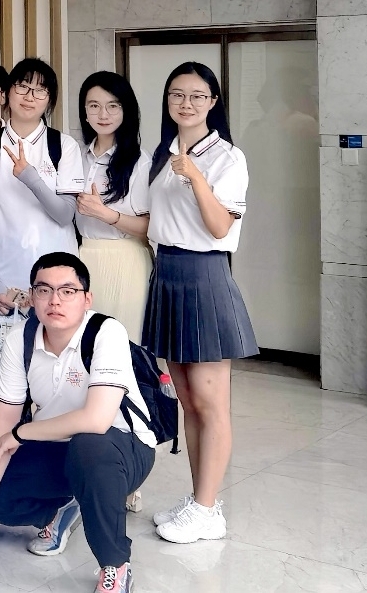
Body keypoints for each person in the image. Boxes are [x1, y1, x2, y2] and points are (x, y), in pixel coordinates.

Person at [0, 253, 156, 593]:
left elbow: (96, 420)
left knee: (90, 447)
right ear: (32, 297)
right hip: (55, 448)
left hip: (121, 449)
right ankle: (61, 508)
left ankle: (115, 565)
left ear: (87, 299)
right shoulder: (20, 339)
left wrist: (21, 433)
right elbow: (3, 426)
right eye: (44, 290)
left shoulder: (106, 332)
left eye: (68, 291)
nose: (55, 300)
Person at [143, 61, 256, 544]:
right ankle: (200, 500)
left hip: (204, 276)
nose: (185, 103)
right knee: (188, 402)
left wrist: (195, 177)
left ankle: (208, 508)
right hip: (167, 274)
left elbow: (219, 226)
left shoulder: (227, 157)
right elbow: (154, 222)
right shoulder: (163, 152)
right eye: (176, 94)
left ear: (212, 102)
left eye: (196, 95)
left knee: (211, 403)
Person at [0, 58, 85, 310]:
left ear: (49, 99)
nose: (29, 97)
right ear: (7, 92)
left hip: (59, 278)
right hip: (7, 276)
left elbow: (64, 215)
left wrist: (31, 178)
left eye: (40, 90)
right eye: (23, 86)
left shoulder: (63, 145)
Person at [75, 72, 153, 338]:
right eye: (94, 105)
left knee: (124, 342)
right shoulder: (77, 156)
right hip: (84, 257)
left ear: (125, 110)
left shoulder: (139, 162)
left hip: (126, 261)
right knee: (85, 344)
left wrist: (105, 214)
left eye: (113, 106)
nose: (103, 114)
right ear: (84, 112)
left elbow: (149, 228)